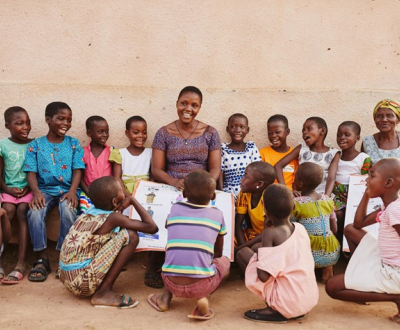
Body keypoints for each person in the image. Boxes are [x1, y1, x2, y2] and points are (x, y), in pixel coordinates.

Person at [148, 86, 221, 288]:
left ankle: (203, 264)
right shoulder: (164, 133)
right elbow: (157, 169)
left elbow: (215, 168)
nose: (188, 108)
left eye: (194, 105)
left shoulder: (210, 133)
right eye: (184, 103)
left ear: (200, 108)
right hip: (172, 186)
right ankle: (156, 262)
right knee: (163, 216)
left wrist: (205, 184)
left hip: (201, 187)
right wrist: (174, 182)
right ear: (177, 104)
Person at [60, 176, 158, 308]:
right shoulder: (114, 218)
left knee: (120, 234)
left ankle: (100, 288)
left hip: (67, 277)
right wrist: (133, 200)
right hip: (81, 282)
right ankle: (103, 293)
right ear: (115, 200)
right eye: (121, 191)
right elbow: (152, 227)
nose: (124, 192)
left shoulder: (89, 212)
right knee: (131, 236)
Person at [147, 170, 229, 320]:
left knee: (171, 251)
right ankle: (204, 298)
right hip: (201, 284)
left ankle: (164, 299)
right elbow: (217, 253)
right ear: (213, 196)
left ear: (184, 194)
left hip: (170, 281)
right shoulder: (217, 215)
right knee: (224, 262)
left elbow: (169, 228)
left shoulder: (175, 209)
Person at [326, 158, 400, 324]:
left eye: (371, 176)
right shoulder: (389, 205)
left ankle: (397, 296)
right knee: (351, 229)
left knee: (332, 287)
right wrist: (367, 193)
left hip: (393, 271)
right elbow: (359, 223)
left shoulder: (395, 209)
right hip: (385, 259)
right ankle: (361, 275)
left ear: (388, 183)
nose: (366, 179)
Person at [236, 184, 319, 323]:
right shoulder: (300, 228)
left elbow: (263, 276)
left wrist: (256, 255)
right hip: (307, 300)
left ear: (266, 212)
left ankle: (274, 310)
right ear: (293, 208)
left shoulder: (270, 232)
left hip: (287, 304)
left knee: (243, 254)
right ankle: (290, 310)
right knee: (258, 249)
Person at [24, 102, 85, 282]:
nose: (66, 123)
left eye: (69, 120)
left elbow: (78, 169)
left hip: (68, 190)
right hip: (45, 190)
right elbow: (31, 172)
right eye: (61, 119)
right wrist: (36, 192)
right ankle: (42, 259)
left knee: (68, 210)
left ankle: (63, 257)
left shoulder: (73, 143)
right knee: (35, 212)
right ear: (48, 120)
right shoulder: (36, 145)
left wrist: (73, 191)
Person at [0, 107, 33, 284]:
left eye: (27, 122)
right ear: (7, 125)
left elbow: (36, 172)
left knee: (22, 212)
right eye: (19, 123)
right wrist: (7, 189)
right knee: (7, 211)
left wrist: (28, 188)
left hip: (27, 191)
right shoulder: (3, 145)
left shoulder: (33, 145)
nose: (25, 127)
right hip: (8, 191)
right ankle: (1, 261)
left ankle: (21, 263)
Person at [292, 162, 340, 282]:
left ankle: (306, 273)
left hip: (309, 254)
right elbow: (334, 229)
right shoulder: (328, 200)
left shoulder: (297, 203)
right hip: (331, 252)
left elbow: (291, 229)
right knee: (326, 237)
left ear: (300, 184)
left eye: (295, 178)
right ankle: (327, 270)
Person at [275, 117, 340, 196]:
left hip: (321, 198)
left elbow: (331, 178)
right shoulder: (302, 148)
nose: (305, 132)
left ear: (322, 131)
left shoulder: (333, 153)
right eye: (303, 130)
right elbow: (278, 166)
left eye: (309, 129)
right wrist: (286, 190)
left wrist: (326, 198)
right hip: (301, 197)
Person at [333, 121, 371, 246]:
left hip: (356, 197)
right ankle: (338, 243)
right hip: (338, 196)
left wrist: (354, 196)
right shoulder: (336, 156)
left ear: (357, 138)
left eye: (347, 134)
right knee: (337, 214)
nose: (342, 138)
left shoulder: (363, 158)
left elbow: (366, 179)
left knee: (353, 216)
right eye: (339, 135)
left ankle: (350, 245)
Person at [109, 116, 152, 215]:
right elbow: (117, 177)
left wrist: (143, 194)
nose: (141, 136)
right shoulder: (119, 153)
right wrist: (127, 195)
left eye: (144, 132)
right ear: (127, 133)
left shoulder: (150, 153)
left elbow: (153, 178)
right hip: (124, 194)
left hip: (145, 193)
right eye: (136, 132)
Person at [235, 162, 276, 253]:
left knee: (258, 248)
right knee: (229, 241)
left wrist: (240, 249)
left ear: (260, 184)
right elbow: (238, 226)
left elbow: (267, 233)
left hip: (270, 238)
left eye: (246, 176)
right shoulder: (244, 194)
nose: (241, 180)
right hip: (253, 235)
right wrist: (243, 248)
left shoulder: (270, 198)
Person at [219, 113, 261, 200]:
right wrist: (221, 193)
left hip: (249, 192)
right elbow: (220, 172)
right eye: (233, 126)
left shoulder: (251, 147)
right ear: (228, 129)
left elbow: (258, 170)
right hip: (228, 192)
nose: (237, 130)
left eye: (242, 127)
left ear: (247, 130)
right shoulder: (223, 149)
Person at [79, 116, 113, 214]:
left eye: (107, 131)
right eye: (100, 131)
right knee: (88, 217)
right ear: (89, 133)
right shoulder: (82, 152)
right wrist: (90, 194)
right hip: (88, 193)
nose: (105, 135)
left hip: (109, 195)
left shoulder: (112, 151)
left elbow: (116, 176)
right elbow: (80, 178)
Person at [259, 115, 298, 190]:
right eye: (270, 133)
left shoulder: (293, 154)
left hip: (291, 194)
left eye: (277, 132)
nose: (273, 136)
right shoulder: (263, 153)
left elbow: (296, 180)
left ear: (287, 132)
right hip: (270, 193)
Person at [362, 99, 400, 164]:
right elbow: (364, 169)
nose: (384, 120)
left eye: (389, 115)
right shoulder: (367, 142)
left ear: (398, 120)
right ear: (375, 120)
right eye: (379, 116)